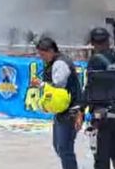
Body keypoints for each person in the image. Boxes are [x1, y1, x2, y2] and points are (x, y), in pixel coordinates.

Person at [33, 36, 82, 169]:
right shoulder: (55, 62)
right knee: (59, 147)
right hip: (63, 112)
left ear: (50, 51)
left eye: (43, 54)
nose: (41, 58)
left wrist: (41, 84)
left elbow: (57, 87)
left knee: (65, 148)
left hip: (70, 112)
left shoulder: (60, 64)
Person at [86, 27, 115, 169]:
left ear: (93, 42)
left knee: (101, 160)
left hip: (103, 114)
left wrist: (81, 107)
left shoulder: (95, 61)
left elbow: (91, 88)